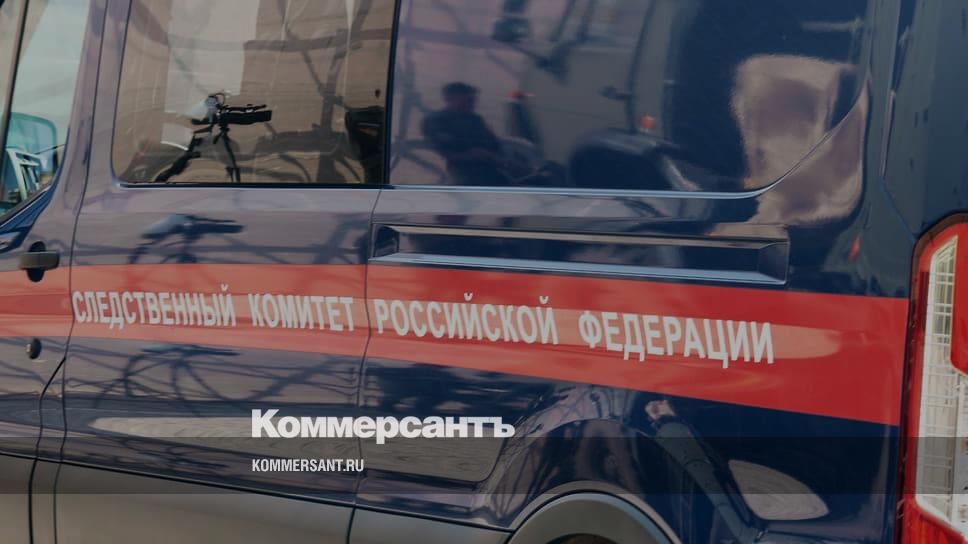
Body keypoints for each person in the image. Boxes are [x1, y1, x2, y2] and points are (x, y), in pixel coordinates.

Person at [421, 82, 510, 186]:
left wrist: (503, 160)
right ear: (448, 99)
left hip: (494, 171)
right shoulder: (436, 121)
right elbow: (447, 153)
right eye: (467, 101)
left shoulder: (475, 119)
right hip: (465, 177)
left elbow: (494, 144)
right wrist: (480, 155)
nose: (472, 105)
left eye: (472, 101)